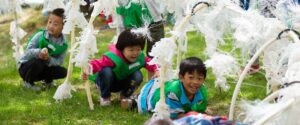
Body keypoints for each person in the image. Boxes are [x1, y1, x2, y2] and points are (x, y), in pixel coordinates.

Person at [82, 29, 157, 106]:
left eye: (138, 49)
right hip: (107, 82)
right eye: (131, 50)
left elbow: (151, 63)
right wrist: (87, 69)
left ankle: (125, 95)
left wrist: (157, 70)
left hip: (122, 83)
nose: (135, 53)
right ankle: (105, 96)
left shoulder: (140, 58)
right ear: (122, 49)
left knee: (138, 75)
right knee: (106, 71)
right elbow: (97, 64)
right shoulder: (113, 58)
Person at [138, 57, 208, 119]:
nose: (195, 82)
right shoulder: (173, 93)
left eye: (199, 78)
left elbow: (200, 111)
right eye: (191, 77)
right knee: (139, 105)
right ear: (181, 77)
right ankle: (133, 102)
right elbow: (174, 117)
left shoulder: (202, 90)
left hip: (167, 90)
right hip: (148, 97)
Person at [18, 8, 68, 91]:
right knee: (39, 61)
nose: (51, 26)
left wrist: (49, 59)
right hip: (26, 68)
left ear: (63, 27)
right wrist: (39, 52)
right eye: (50, 22)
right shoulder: (40, 35)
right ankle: (27, 82)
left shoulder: (63, 43)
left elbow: (60, 60)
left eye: (55, 24)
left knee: (63, 72)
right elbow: (28, 51)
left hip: (42, 68)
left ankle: (47, 80)